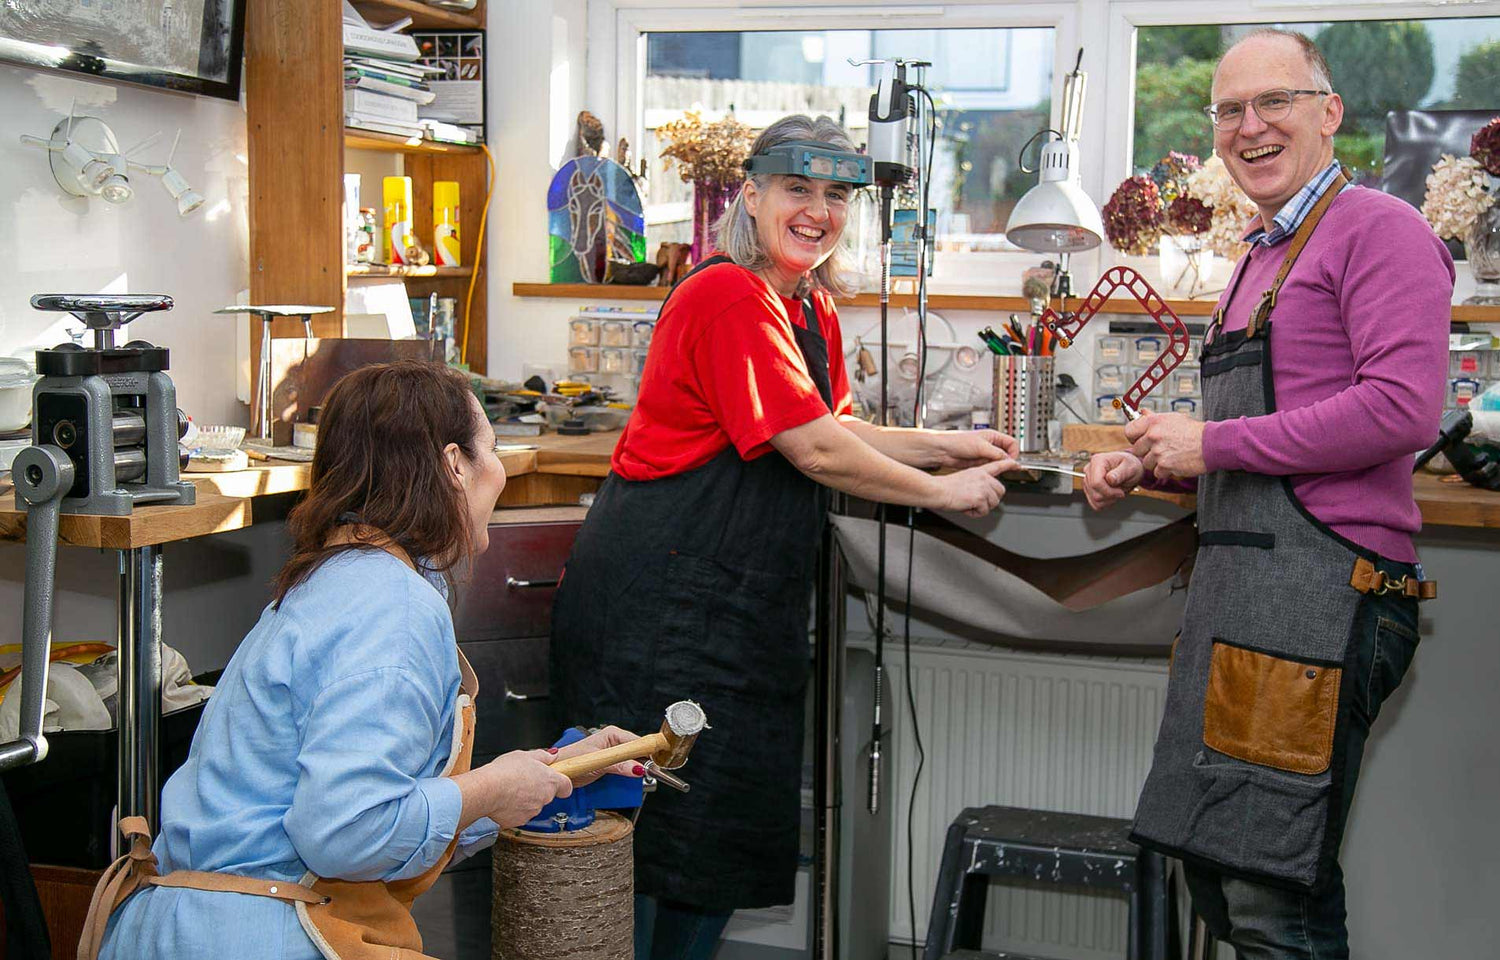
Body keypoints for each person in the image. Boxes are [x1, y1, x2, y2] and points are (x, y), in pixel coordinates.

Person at [551, 114, 1020, 960]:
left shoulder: (809, 305)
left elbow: (834, 424)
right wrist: (939, 491)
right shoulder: (726, 292)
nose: (818, 211)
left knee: (719, 837)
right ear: (752, 193)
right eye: (798, 189)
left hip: (741, 609)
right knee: (653, 846)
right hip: (661, 607)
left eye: (837, 195)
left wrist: (946, 443)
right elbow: (812, 450)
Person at [1083, 30, 1450, 959]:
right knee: (1220, 868)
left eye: (1274, 102)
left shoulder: (1381, 230)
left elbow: (1402, 410)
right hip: (1246, 599)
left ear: (1329, 114)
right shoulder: (1262, 253)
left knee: (1271, 895)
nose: (1251, 128)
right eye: (1231, 111)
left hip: (1325, 599)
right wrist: (1160, 463)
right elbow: (1264, 435)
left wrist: (1211, 441)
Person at [84, 360, 640, 960]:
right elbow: (345, 833)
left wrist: (546, 774)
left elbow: (381, 813)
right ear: (455, 466)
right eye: (494, 448)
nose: (499, 470)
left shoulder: (343, 579)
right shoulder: (392, 606)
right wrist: (489, 788)